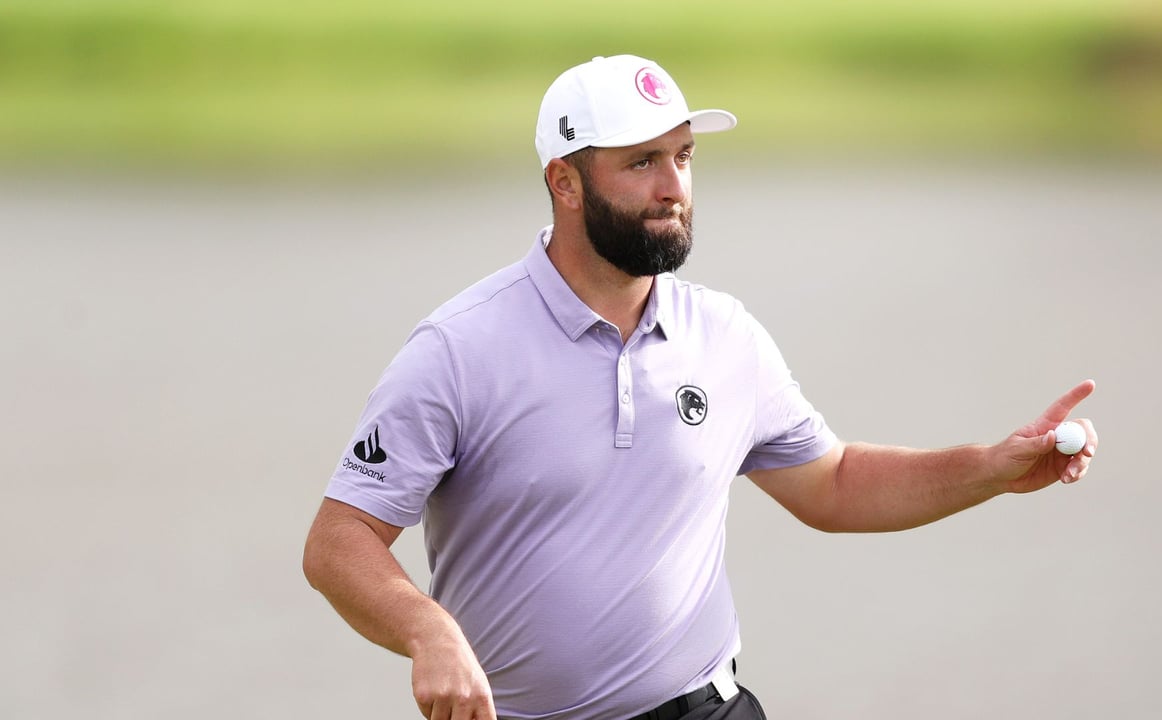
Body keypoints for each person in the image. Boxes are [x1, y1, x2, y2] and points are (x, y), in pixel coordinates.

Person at [302, 54, 1098, 720]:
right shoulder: (461, 348)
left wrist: (989, 468)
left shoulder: (725, 336)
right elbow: (339, 542)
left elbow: (837, 485)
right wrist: (428, 632)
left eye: (683, 156)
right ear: (566, 182)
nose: (673, 187)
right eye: (641, 162)